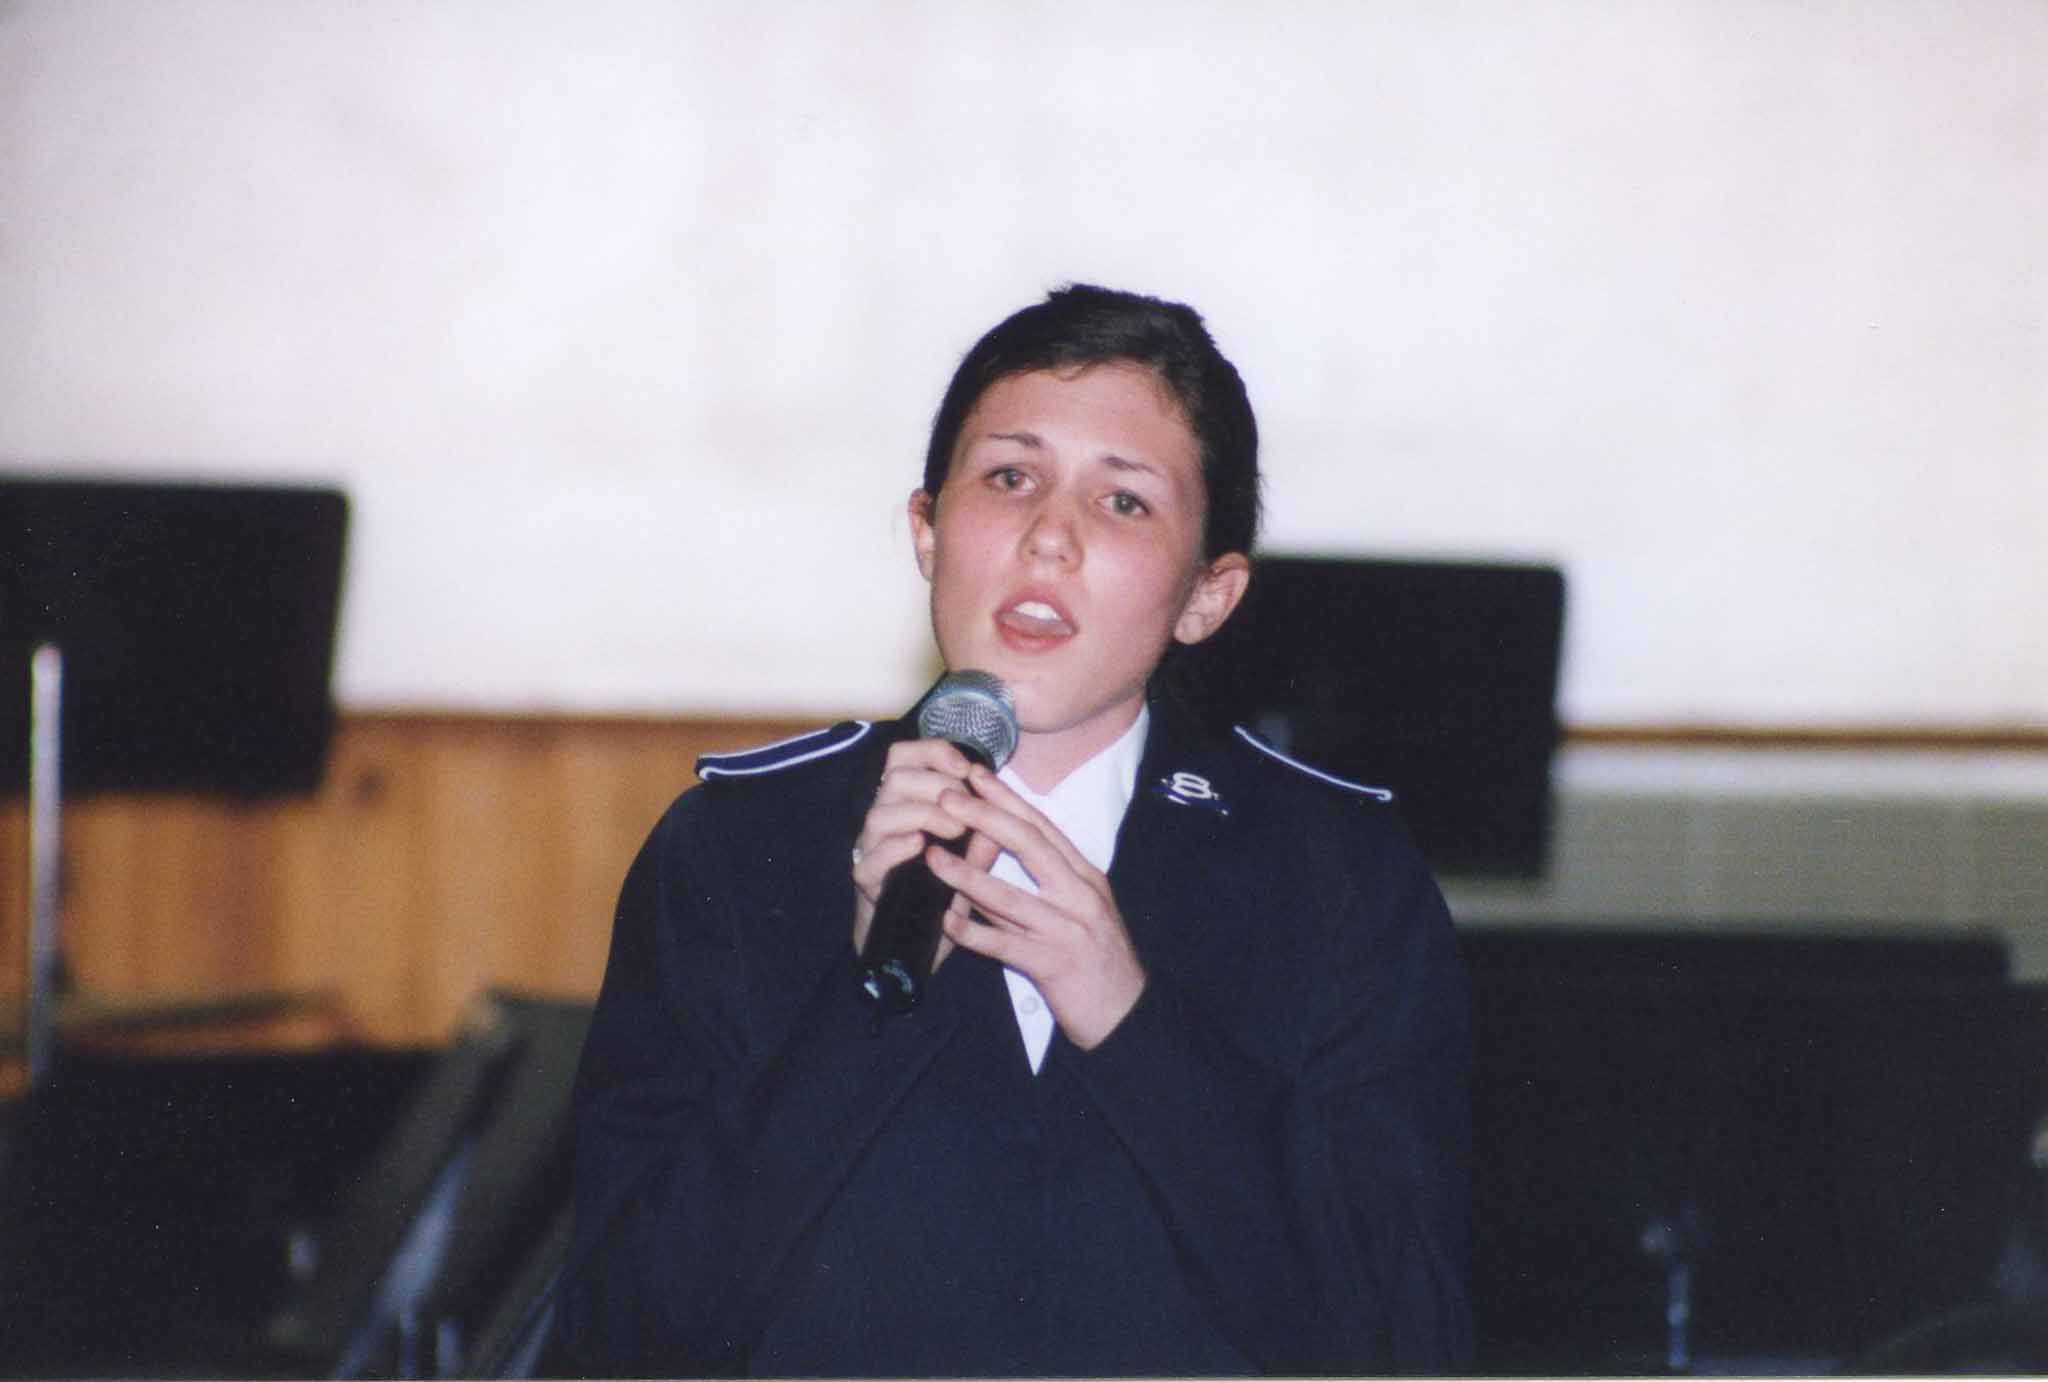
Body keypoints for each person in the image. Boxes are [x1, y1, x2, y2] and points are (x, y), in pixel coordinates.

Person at [556, 284, 1471, 1376]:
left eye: (1123, 501)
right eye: (1009, 478)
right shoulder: (731, 849)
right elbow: (622, 1332)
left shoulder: (1338, 877)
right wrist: (860, 1006)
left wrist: (1130, 1020)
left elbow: (1402, 1339)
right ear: (927, 530)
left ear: (1207, 596)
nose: (1049, 537)